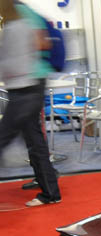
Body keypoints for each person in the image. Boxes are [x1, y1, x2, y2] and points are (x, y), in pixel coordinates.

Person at [0, 0, 62, 206]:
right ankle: (50, 193)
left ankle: (50, 192)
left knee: (4, 137)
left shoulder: (19, 20)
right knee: (34, 141)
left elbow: (39, 44)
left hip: (26, 87)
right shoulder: (20, 17)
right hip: (28, 86)